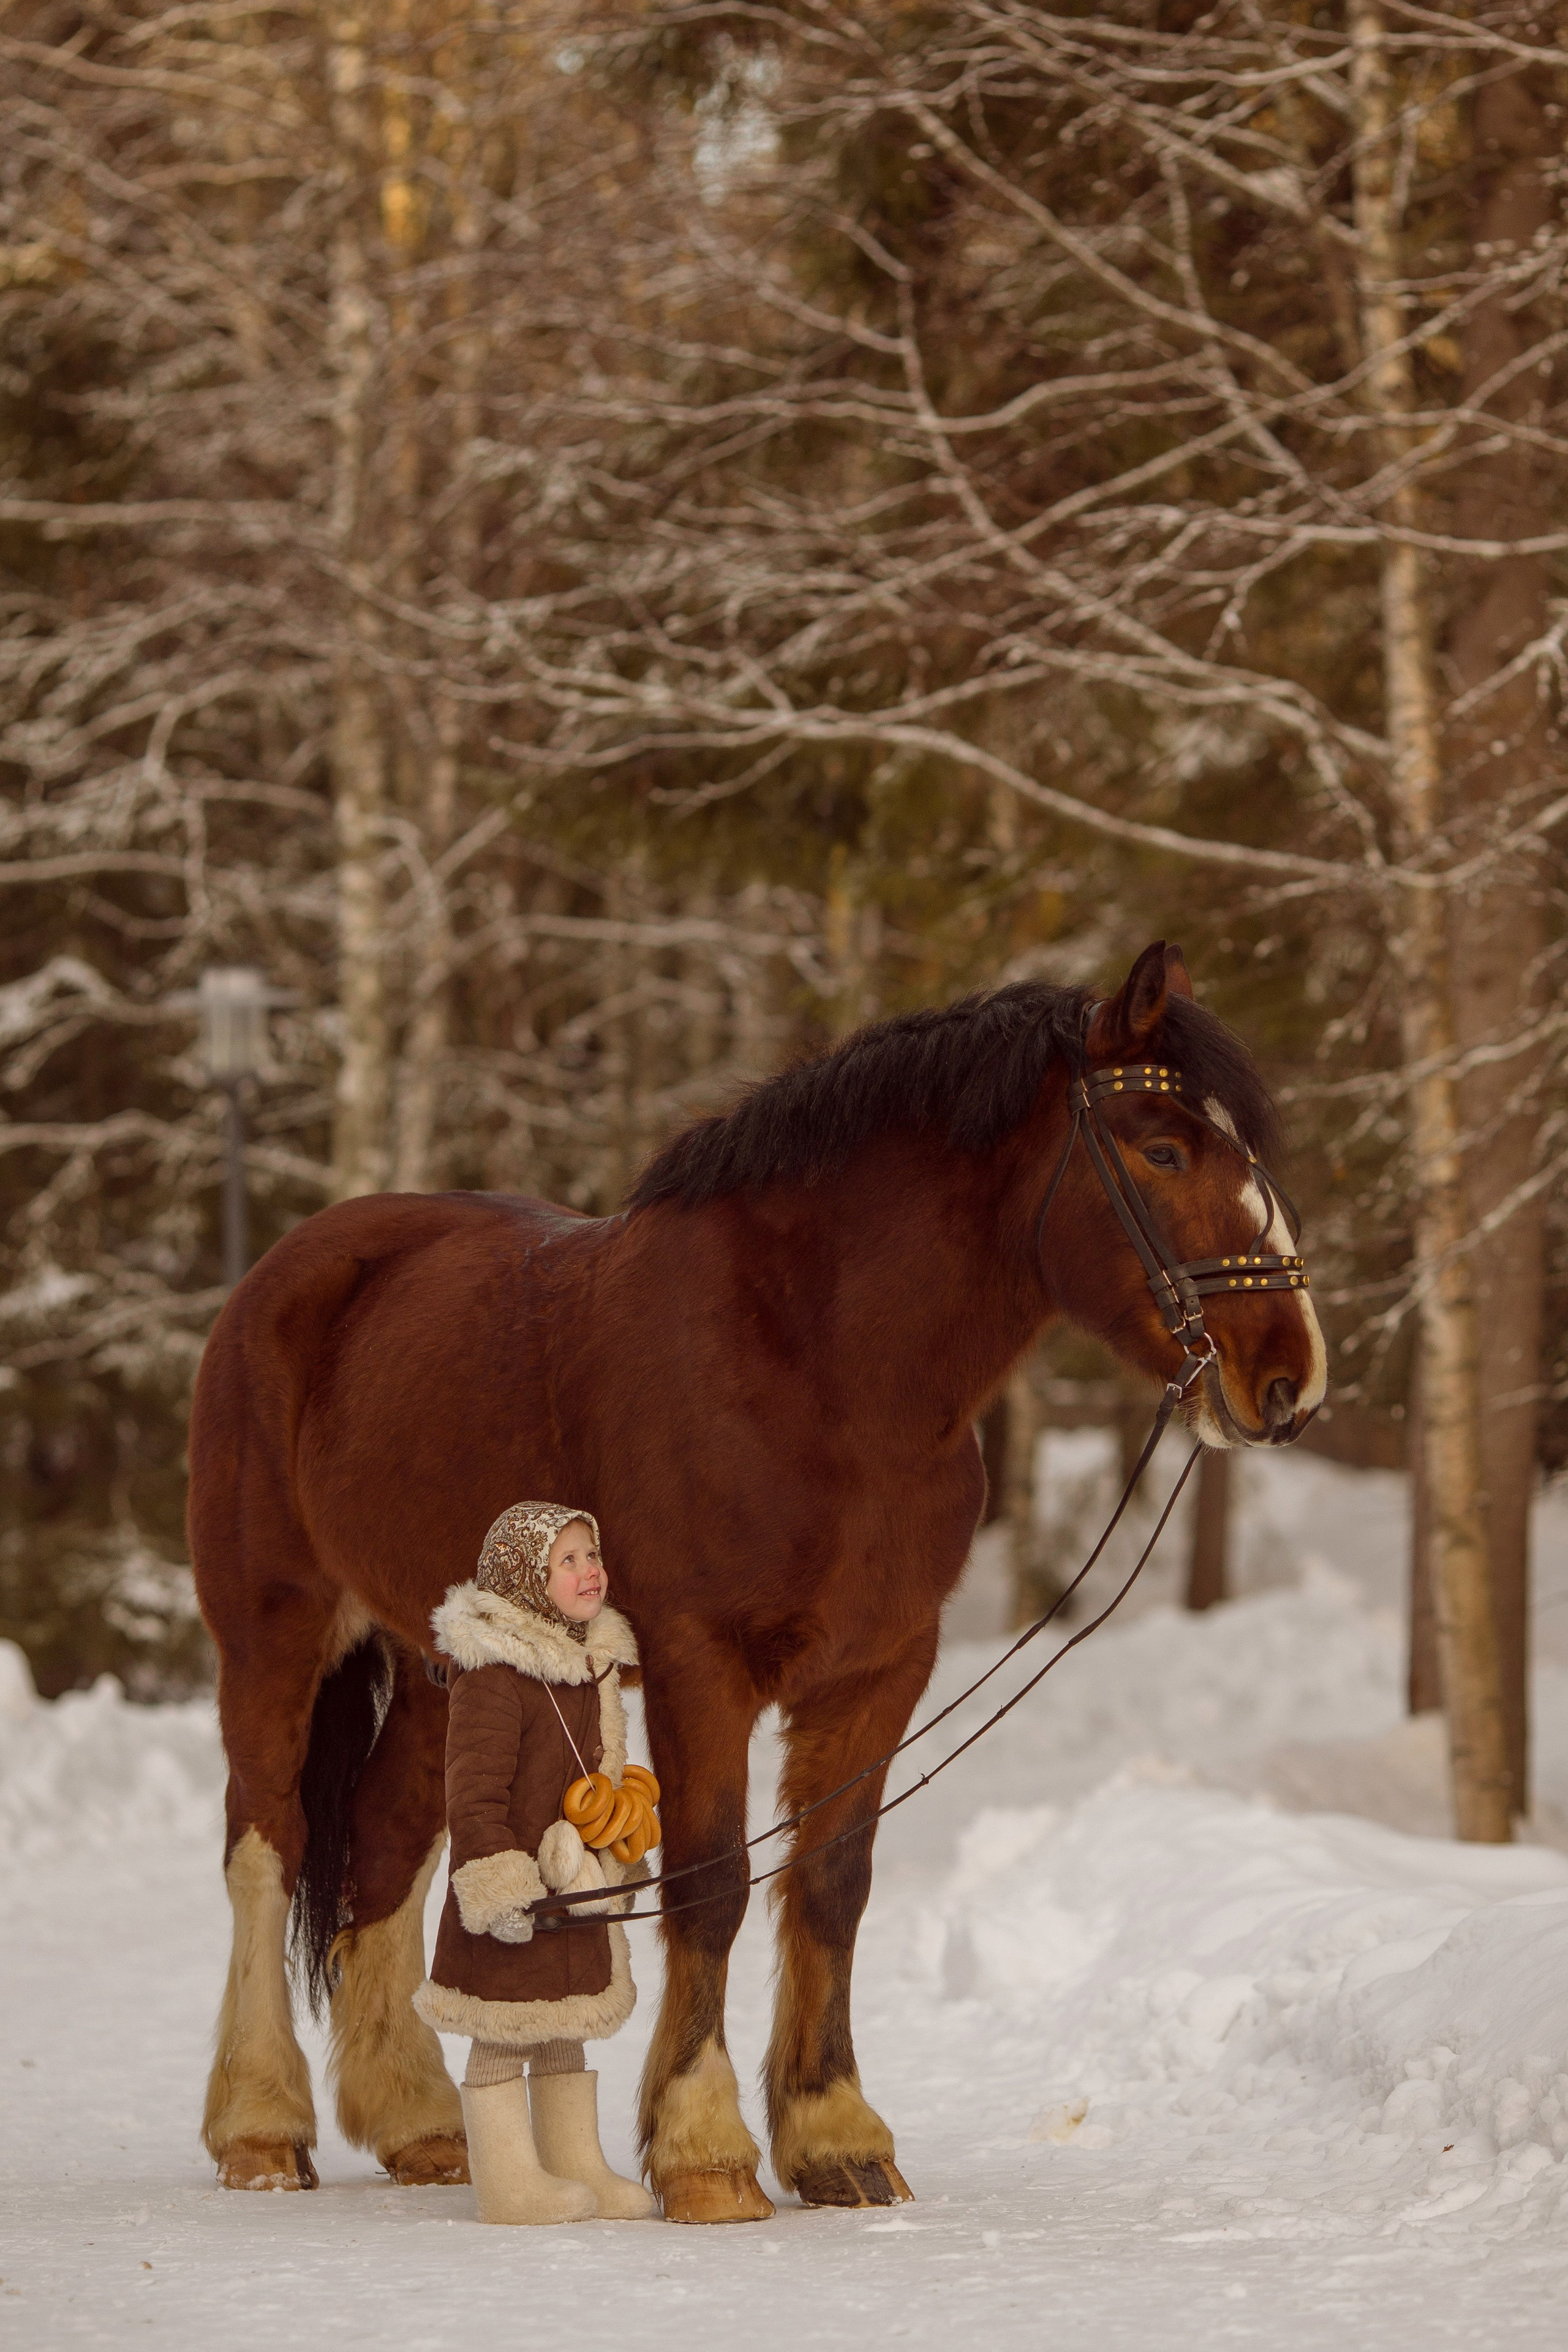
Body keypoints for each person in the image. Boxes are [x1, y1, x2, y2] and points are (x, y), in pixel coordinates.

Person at [413, 1501, 658, 2224]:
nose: (590, 1572)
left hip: (569, 1882)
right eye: (569, 1561)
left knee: (561, 2027)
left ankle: (571, 2164)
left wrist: (614, 1843)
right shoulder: (495, 1677)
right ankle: (510, 2184)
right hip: (518, 1891)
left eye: (592, 1555)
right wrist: (501, 1886)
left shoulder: (587, 1665)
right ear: (526, 1580)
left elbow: (597, 1777)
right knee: (502, 2031)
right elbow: (473, 1794)